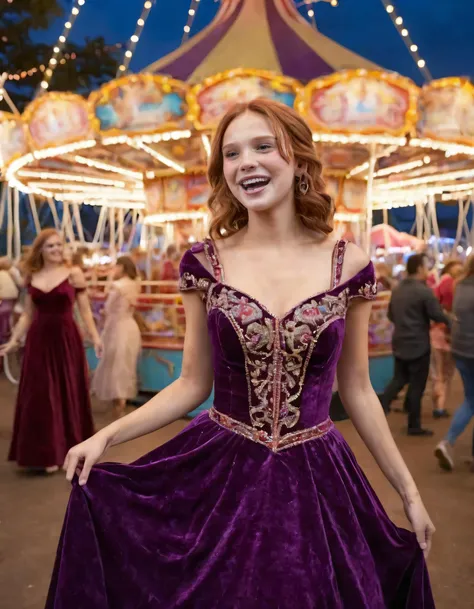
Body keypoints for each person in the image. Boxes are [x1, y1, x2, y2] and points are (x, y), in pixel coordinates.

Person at [46, 100, 435, 608]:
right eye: (231, 154)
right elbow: (191, 384)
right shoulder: (205, 264)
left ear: (296, 158)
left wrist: (408, 493)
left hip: (317, 483)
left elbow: (357, 388)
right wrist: (105, 437)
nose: (245, 162)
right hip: (220, 477)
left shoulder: (349, 266)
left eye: (262, 146)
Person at [0, 229, 102, 473]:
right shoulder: (32, 276)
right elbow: (27, 314)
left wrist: (96, 337)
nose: (56, 249)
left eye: (59, 245)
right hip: (38, 340)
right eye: (50, 246)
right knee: (40, 394)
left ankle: (68, 450)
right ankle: (44, 452)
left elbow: (85, 311)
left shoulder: (74, 274)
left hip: (66, 339)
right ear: (41, 251)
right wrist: (14, 340)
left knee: (66, 392)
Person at [381, 253, 450, 436]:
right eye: (426, 266)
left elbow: (390, 316)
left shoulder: (398, 289)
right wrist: (450, 321)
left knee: (399, 379)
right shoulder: (424, 291)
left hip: (400, 341)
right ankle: (414, 425)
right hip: (418, 344)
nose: (428, 270)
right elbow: (437, 314)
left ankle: (380, 407)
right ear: (419, 268)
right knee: (416, 386)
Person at [435, 255, 474, 472]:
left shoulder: (460, 286)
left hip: (461, 350)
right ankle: (447, 442)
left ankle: (448, 442)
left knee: (471, 399)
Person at [91, 256, 141, 418]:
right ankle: (122, 402)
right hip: (130, 326)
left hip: (116, 328)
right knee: (125, 365)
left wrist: (101, 315)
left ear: (122, 267)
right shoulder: (135, 284)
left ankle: (117, 405)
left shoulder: (117, 286)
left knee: (114, 366)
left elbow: (108, 308)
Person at [429, 259, 463, 419]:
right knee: (448, 373)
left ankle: (437, 399)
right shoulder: (459, 286)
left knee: (438, 372)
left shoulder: (440, 285)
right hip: (452, 334)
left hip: (436, 331)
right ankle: (440, 406)